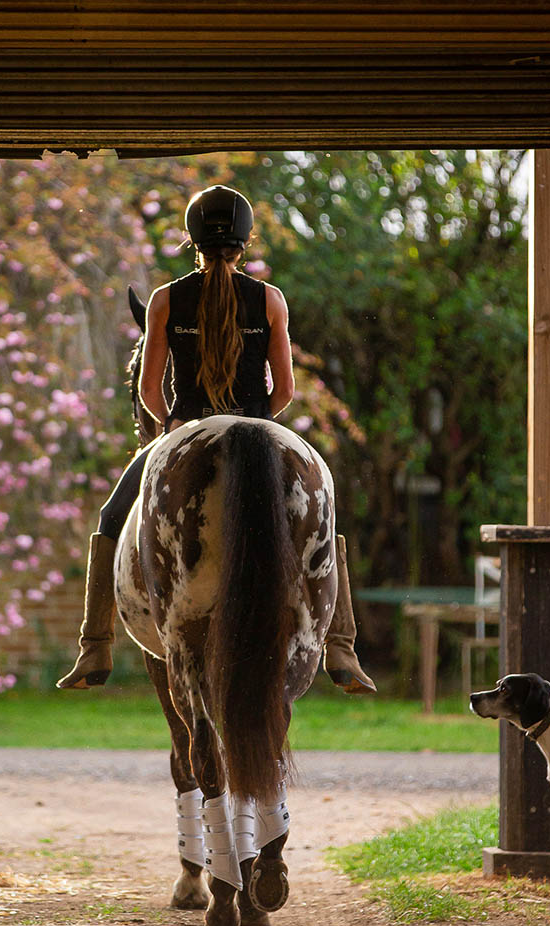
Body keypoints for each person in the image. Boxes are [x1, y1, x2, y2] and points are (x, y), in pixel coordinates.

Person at [57, 184, 374, 695]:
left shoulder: (165, 299)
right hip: (260, 427)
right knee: (324, 508)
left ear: (193, 241)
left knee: (112, 517)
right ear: (244, 243)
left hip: (183, 428)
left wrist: (174, 432)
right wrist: (255, 425)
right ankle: (341, 645)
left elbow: (149, 389)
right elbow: (286, 390)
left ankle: (94, 645)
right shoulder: (270, 299)